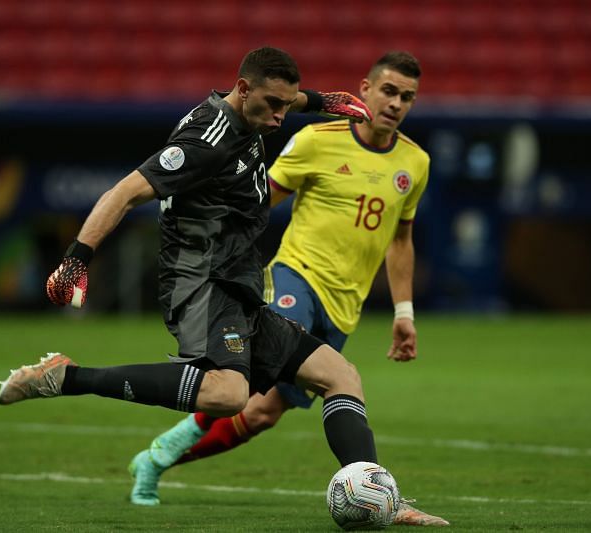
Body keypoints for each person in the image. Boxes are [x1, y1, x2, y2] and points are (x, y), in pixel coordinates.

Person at [0, 46, 397, 505]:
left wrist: (320, 100)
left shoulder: (253, 107)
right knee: (230, 395)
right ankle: (66, 377)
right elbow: (124, 192)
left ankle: (375, 495)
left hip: (238, 283)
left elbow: (282, 96)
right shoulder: (205, 143)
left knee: (339, 374)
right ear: (243, 90)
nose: (280, 117)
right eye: (273, 105)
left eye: (287, 106)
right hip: (202, 282)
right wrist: (76, 258)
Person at [128, 51, 448, 527]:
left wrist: (405, 312)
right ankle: (382, 496)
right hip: (295, 276)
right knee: (249, 382)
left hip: (345, 305)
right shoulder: (316, 139)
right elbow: (256, 200)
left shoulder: (414, 162)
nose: (396, 103)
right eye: (388, 91)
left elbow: (401, 240)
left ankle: (158, 456)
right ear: (364, 89)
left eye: (407, 97)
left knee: (261, 414)